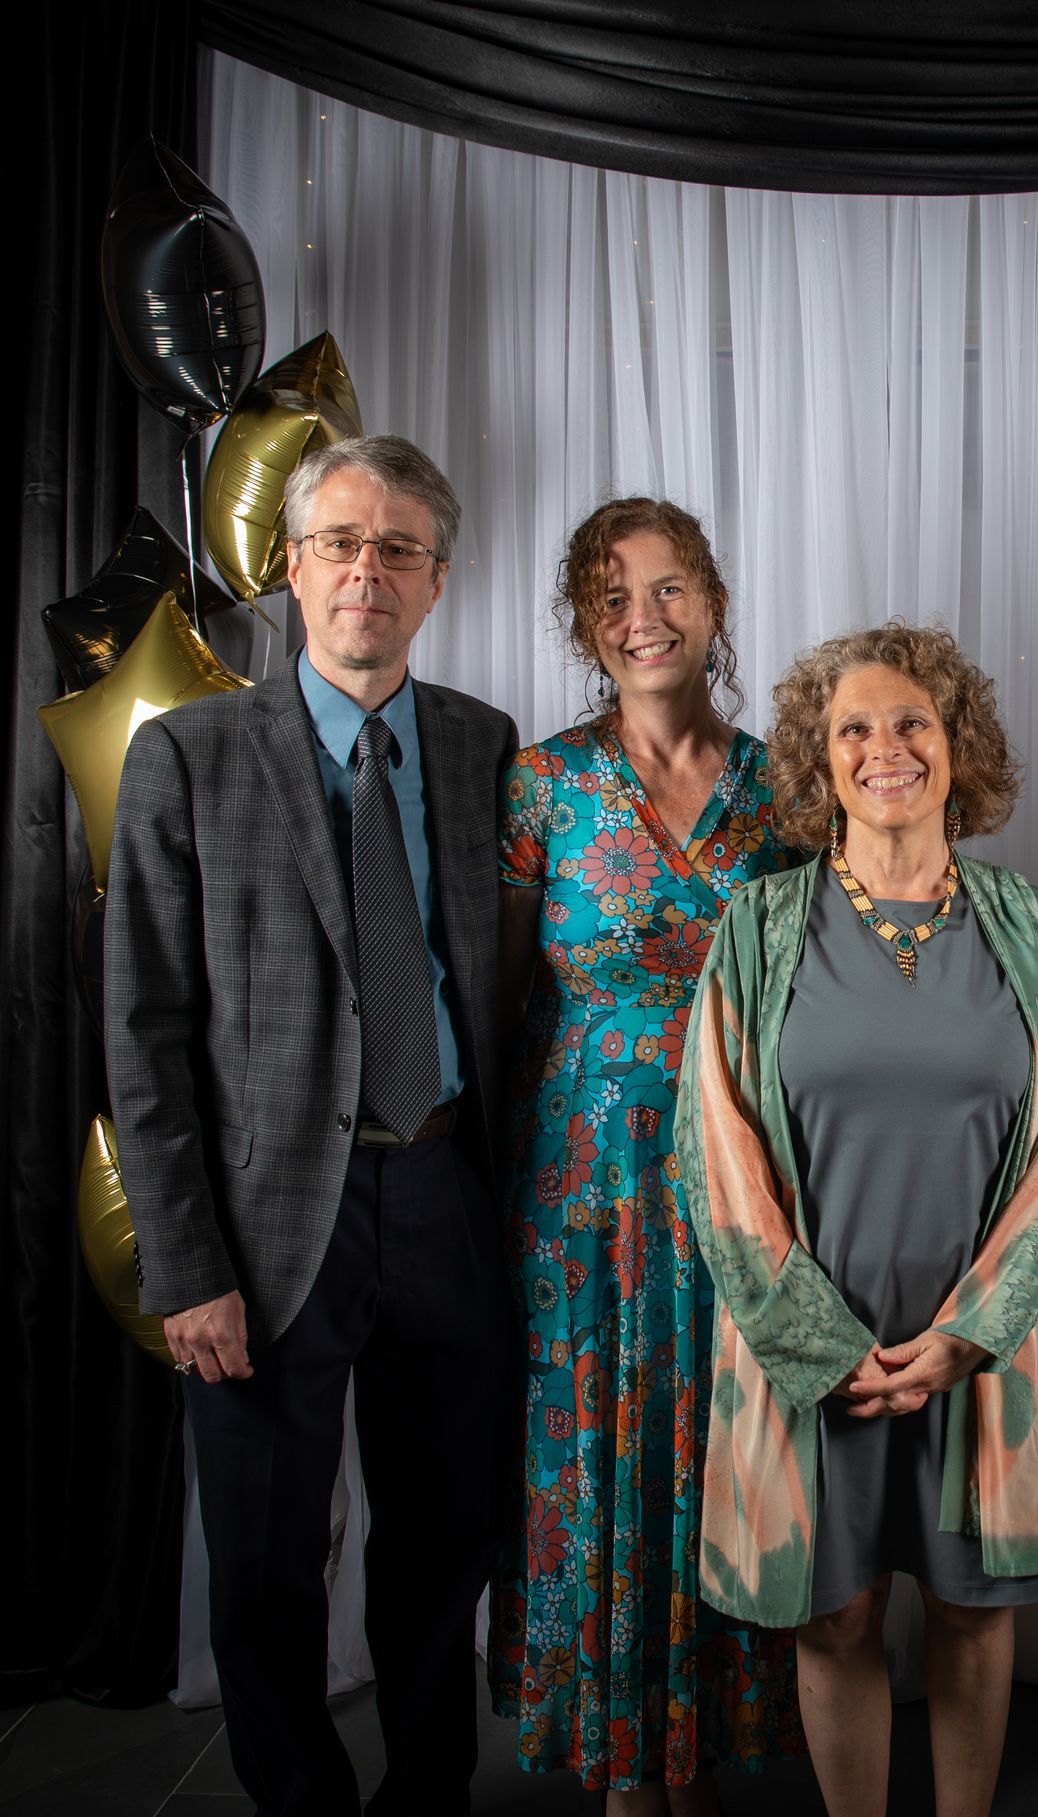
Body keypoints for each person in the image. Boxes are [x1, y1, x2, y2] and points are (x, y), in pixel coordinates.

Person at [105, 434, 517, 1817]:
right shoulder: (189, 755)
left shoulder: (478, 743)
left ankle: (430, 1792)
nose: (366, 572)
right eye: (341, 542)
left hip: (446, 1187)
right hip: (272, 1217)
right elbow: (145, 1034)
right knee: (270, 1552)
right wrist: (184, 1263)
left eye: (399, 549)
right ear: (291, 565)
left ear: (439, 581)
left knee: (442, 1534)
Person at [674, 621, 1038, 1817]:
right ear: (819, 759)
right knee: (836, 1609)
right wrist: (821, 1341)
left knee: (972, 1607)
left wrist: (978, 1327)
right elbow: (715, 1155)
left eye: (913, 721)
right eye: (852, 728)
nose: (885, 748)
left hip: (982, 1355)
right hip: (813, 1355)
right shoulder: (757, 930)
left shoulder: (1037, 929)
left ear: (960, 745)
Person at [487, 499, 805, 1811]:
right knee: (599, 1445)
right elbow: (498, 1000)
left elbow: (815, 993)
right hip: (586, 1187)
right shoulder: (542, 785)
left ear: (715, 606)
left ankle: (709, 1737)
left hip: (742, 1176)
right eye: (613, 594)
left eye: (671, 588)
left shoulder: (783, 783)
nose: (644, 615)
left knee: (723, 1448)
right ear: (583, 621)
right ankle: (619, 1761)